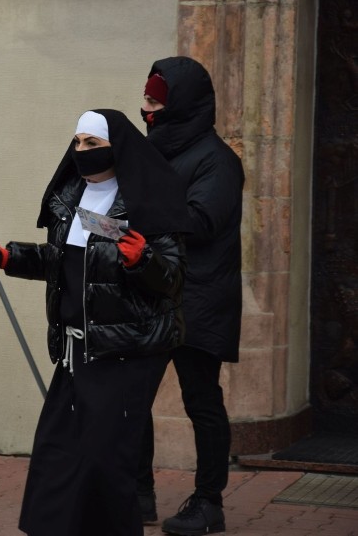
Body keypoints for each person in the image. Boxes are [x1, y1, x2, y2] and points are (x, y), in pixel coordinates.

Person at [0, 109, 189, 536]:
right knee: (56, 453)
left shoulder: (147, 201)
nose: (81, 151)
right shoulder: (70, 198)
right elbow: (59, 262)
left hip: (128, 352)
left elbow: (173, 279)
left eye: (91, 144)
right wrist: (6, 256)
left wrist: (142, 259)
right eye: (77, 142)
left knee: (104, 462)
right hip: (77, 350)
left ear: (117, 148)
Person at [137, 56, 244, 535]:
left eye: (155, 100)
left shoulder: (218, 160)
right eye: (146, 98)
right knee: (134, 394)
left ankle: (208, 502)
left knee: (201, 400)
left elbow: (201, 222)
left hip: (199, 297)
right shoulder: (154, 151)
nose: (146, 109)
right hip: (155, 292)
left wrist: (142, 214)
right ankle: (139, 494)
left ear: (181, 103)